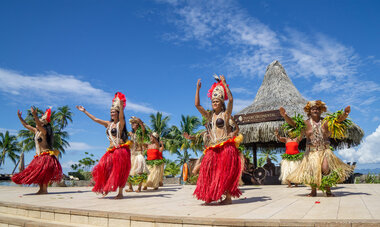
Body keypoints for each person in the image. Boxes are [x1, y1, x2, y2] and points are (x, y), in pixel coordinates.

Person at [280, 101, 353, 197]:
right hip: (311, 152)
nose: (315, 110)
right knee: (312, 171)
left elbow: (338, 120)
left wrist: (345, 114)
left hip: (324, 150)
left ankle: (328, 190)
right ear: (309, 111)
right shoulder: (305, 123)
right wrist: (285, 116)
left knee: (326, 168)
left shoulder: (326, 122)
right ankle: (313, 191)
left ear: (321, 110)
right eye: (313, 108)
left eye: (318, 108)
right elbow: (294, 124)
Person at [193, 75, 243, 205]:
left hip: (225, 147)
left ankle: (227, 198)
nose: (215, 103)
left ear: (221, 103)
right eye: (213, 101)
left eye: (217, 101)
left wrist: (225, 84)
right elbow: (197, 105)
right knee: (208, 172)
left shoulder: (225, 115)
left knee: (224, 173)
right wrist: (197, 89)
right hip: (213, 147)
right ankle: (209, 196)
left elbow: (231, 99)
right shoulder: (209, 116)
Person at [76, 92, 130, 199]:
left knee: (119, 171)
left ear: (118, 112)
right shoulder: (108, 124)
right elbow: (96, 120)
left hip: (120, 150)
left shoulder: (121, 124)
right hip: (110, 150)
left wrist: (121, 106)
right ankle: (106, 188)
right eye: (111, 112)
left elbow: (122, 117)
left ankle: (120, 193)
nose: (112, 114)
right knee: (103, 167)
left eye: (114, 112)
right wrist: (84, 111)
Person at [12, 107, 62, 194]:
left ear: (44, 124)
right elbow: (26, 125)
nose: (39, 121)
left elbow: (38, 125)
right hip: (39, 156)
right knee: (38, 174)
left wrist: (34, 115)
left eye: (41, 120)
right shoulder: (36, 131)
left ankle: (44, 190)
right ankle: (41, 189)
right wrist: (20, 117)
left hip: (46, 156)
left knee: (44, 174)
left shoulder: (44, 131)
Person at [126, 117, 149, 193]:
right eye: (132, 123)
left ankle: (139, 187)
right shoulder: (130, 133)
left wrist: (140, 122)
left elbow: (143, 129)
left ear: (138, 125)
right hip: (131, 153)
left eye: (134, 123)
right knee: (127, 170)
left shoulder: (141, 133)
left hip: (139, 153)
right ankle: (130, 187)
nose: (132, 124)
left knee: (140, 171)